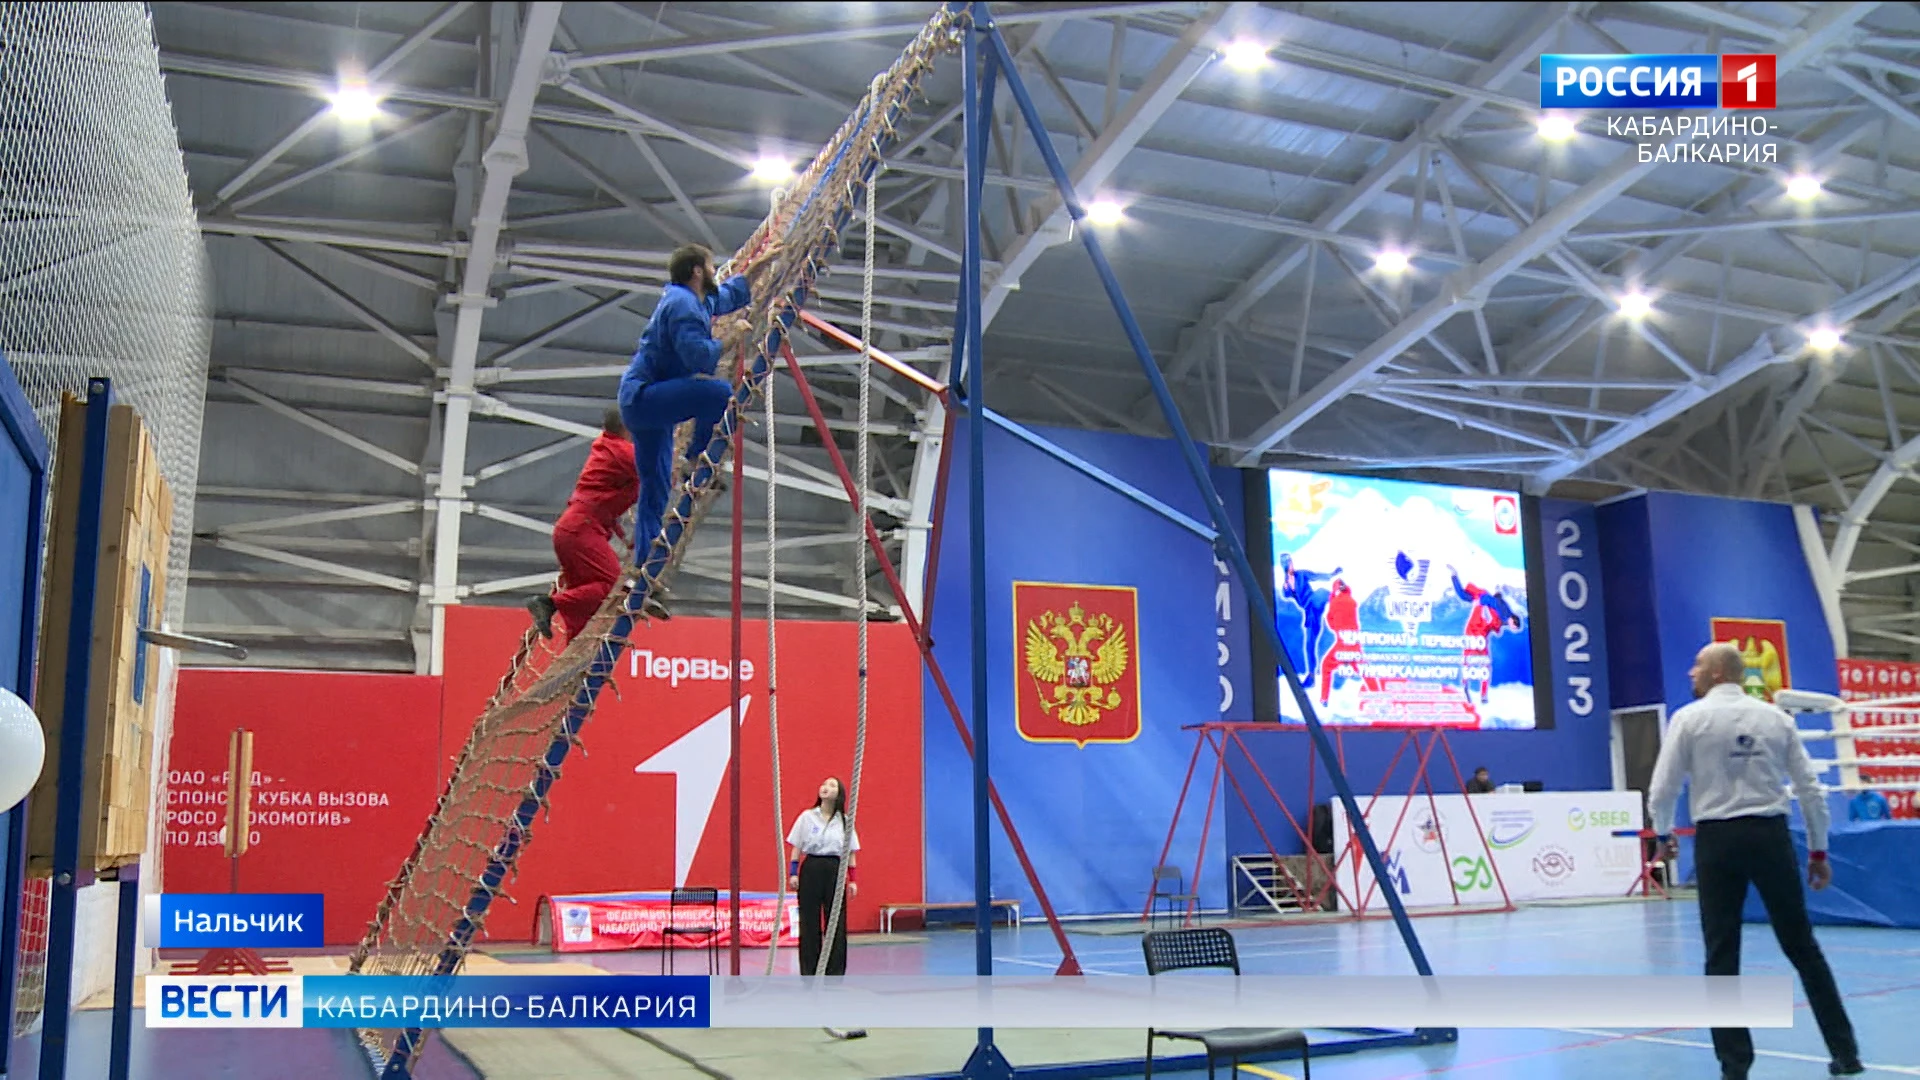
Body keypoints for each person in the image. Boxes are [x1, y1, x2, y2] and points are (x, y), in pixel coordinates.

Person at [1648, 642, 1862, 1080]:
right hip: (1770, 837)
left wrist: (1664, 834)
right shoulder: (1776, 719)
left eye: (1697, 666)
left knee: (1721, 954)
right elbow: (1810, 789)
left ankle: (1734, 1067)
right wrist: (1818, 851)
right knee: (1803, 947)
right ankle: (1846, 1052)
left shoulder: (1688, 719)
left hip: (1717, 841)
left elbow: (1663, 788)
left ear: (1714, 674)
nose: (1690, 673)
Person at [619, 243, 775, 591]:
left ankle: (645, 570)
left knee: (655, 491)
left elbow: (725, 298)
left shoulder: (689, 299)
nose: (716, 271)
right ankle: (695, 458)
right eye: (711, 266)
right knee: (719, 394)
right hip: (647, 399)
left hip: (641, 405)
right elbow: (698, 360)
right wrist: (730, 338)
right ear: (697, 272)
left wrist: (757, 268)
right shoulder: (683, 307)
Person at [526, 409, 662, 639]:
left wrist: (625, 536)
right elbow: (657, 471)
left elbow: (603, 501)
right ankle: (549, 604)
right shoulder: (623, 451)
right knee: (613, 588)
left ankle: (574, 650)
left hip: (574, 529)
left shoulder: (607, 447)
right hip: (582, 529)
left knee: (587, 601)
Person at [785, 777, 860, 980]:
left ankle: (834, 971)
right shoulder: (807, 817)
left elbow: (851, 852)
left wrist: (852, 879)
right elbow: (796, 847)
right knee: (809, 921)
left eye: (832, 785)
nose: (826, 787)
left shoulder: (845, 820)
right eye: (824, 784)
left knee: (835, 921)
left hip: (834, 868)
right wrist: (793, 873)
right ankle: (810, 970)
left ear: (839, 793)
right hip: (811, 867)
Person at [1449, 567, 1521, 706]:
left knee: (1484, 664)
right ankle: (1465, 686)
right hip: (1472, 632)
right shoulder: (1487, 600)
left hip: (1481, 636)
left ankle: (1482, 694)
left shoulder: (1500, 614)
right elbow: (1464, 595)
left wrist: (1499, 624)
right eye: (1512, 625)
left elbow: (1497, 607)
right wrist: (1454, 576)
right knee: (1467, 660)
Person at [1278, 553, 1342, 688]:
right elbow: (1285, 595)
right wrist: (1285, 589)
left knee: (1321, 592)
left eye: (1289, 562)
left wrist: (1332, 574)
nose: (1289, 565)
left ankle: (1338, 597)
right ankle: (1311, 676)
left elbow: (1316, 576)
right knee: (1309, 644)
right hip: (1310, 614)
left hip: (1315, 602)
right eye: (1286, 563)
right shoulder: (1286, 585)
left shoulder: (1301, 575)